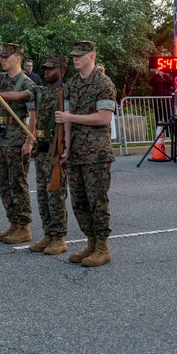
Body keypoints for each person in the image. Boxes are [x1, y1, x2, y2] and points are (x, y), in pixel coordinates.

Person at [56, 41, 117, 267]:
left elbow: (103, 118)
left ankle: (102, 247)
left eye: (80, 55)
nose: (75, 59)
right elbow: (67, 118)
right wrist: (67, 148)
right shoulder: (71, 84)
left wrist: (70, 118)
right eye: (73, 55)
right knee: (79, 202)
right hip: (77, 153)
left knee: (97, 201)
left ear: (91, 56)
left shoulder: (104, 83)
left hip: (97, 153)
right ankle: (90, 243)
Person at [0, 43, 36, 244]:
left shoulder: (27, 83)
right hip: (3, 137)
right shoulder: (2, 79)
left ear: (18, 59)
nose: (3, 60)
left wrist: (29, 141)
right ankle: (13, 223)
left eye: (6, 57)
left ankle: (24, 226)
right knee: (3, 183)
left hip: (17, 137)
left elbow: (33, 115)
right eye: (1, 57)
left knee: (18, 183)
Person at [21, 54, 71, 255]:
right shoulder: (39, 91)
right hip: (41, 149)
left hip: (56, 149)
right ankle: (48, 234)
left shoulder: (66, 93)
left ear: (62, 70)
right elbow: (21, 95)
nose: (47, 71)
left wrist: (66, 149)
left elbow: (68, 122)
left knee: (56, 194)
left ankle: (59, 238)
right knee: (42, 194)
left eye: (51, 68)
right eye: (46, 68)